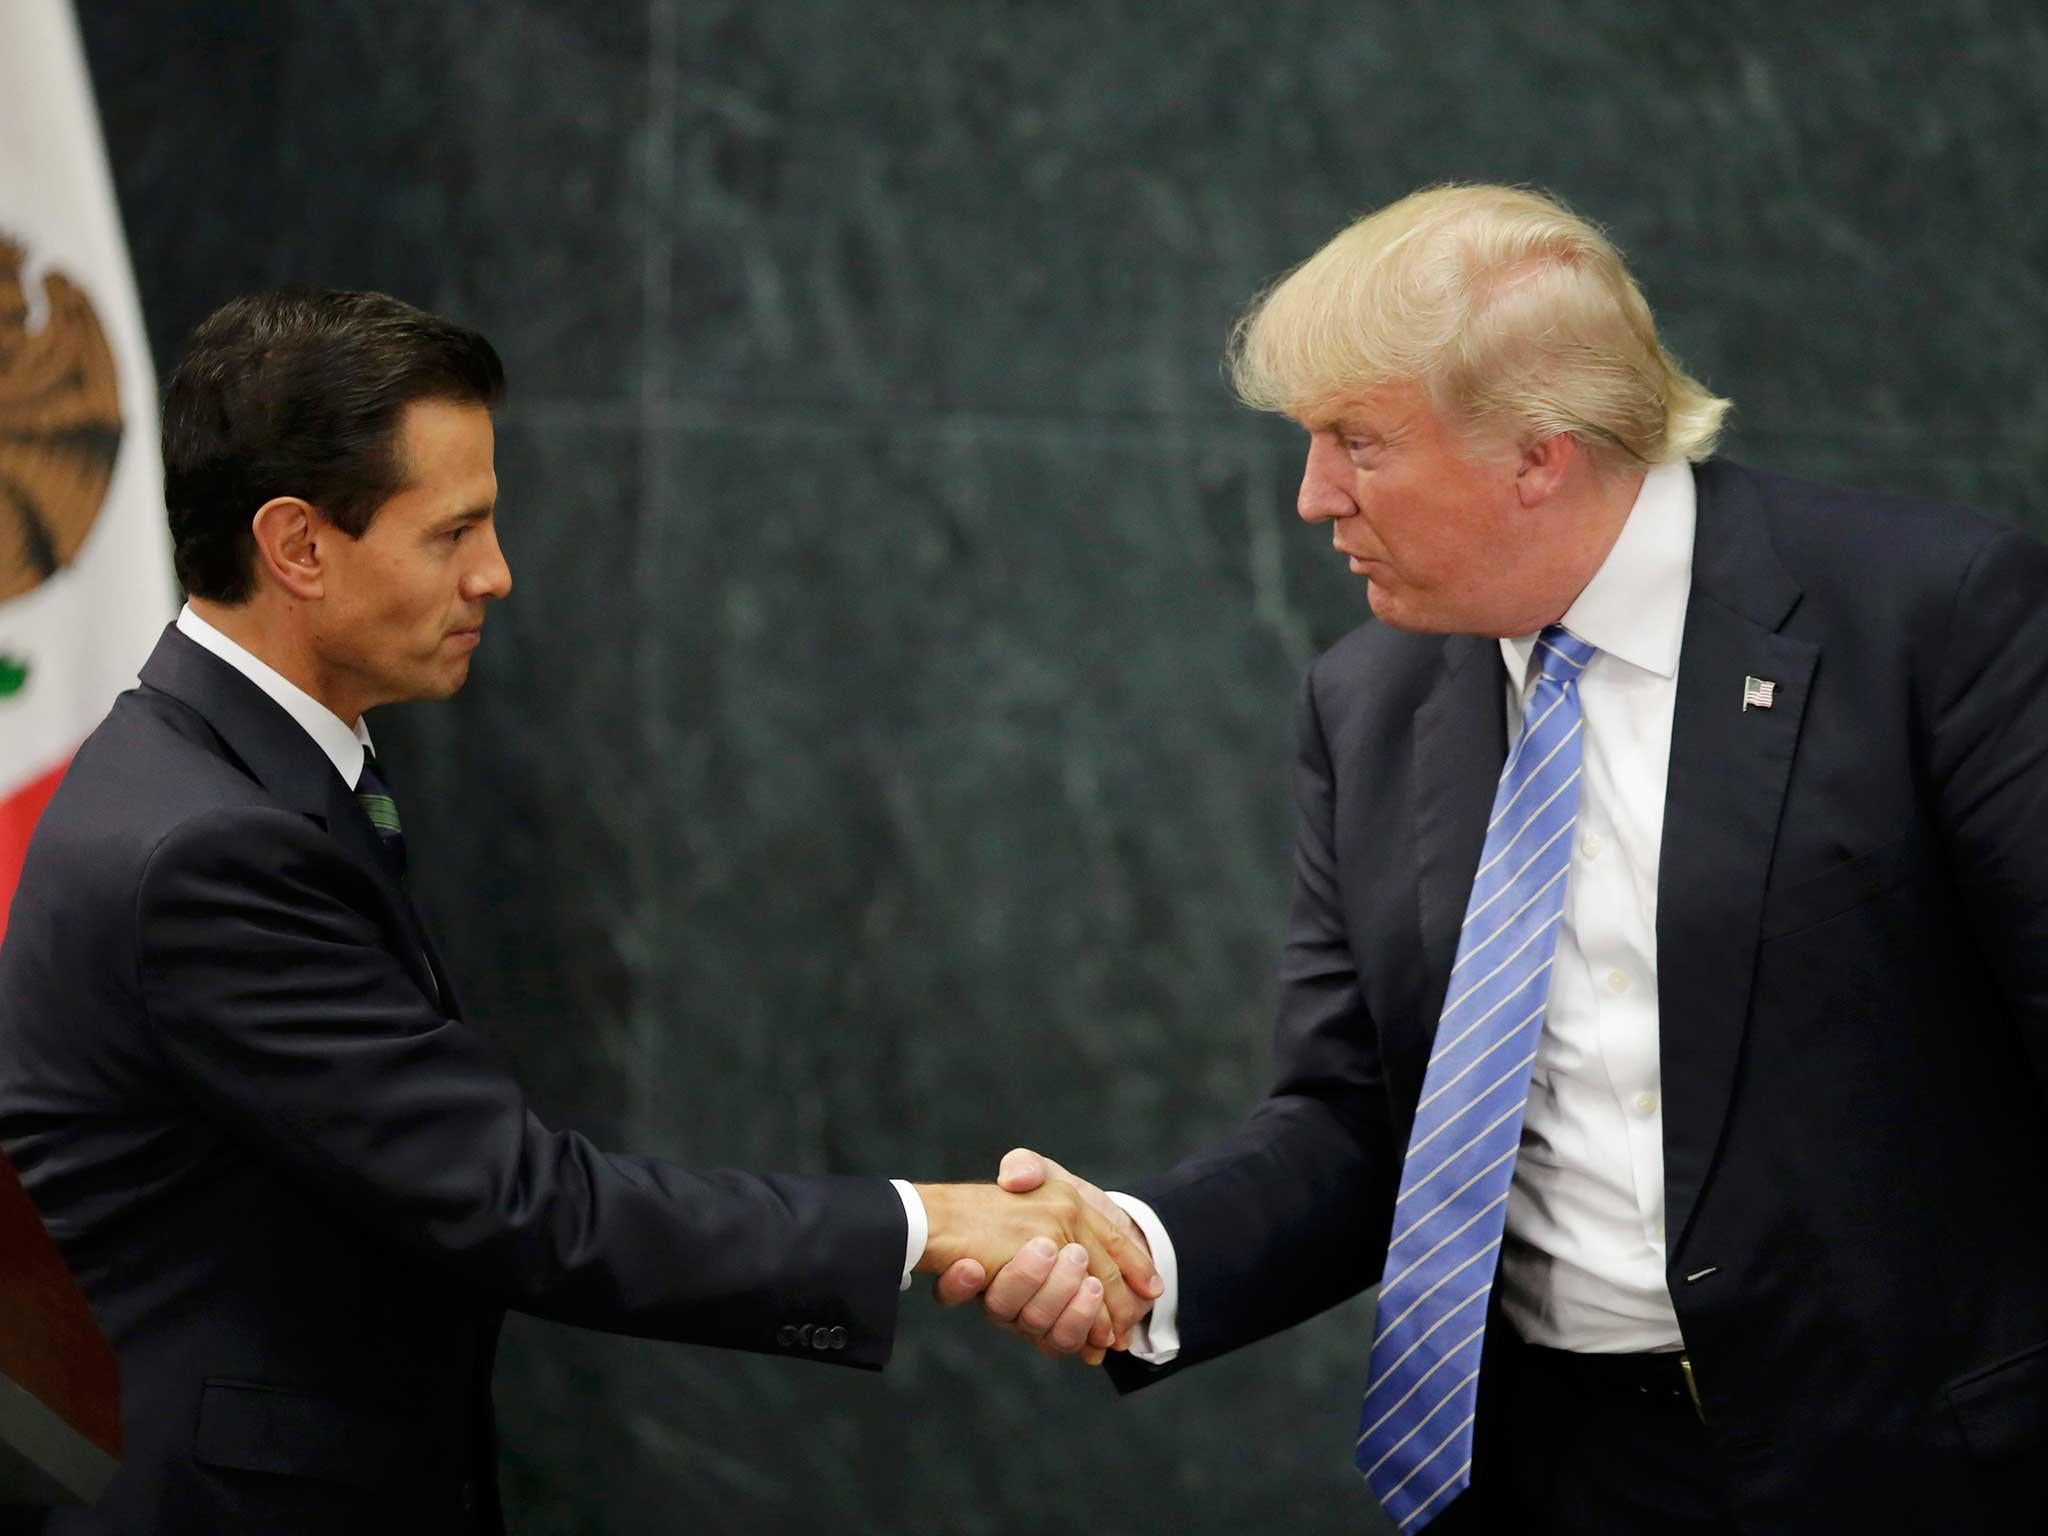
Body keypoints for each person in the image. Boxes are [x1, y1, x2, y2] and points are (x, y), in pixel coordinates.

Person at [938, 184, 2048, 1532]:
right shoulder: (1370, 704)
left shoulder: (1931, 620)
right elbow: (1360, 1120)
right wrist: (1140, 1250)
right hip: (1547, 1474)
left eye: (1358, 441)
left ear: (1542, 452)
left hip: (1915, 1467)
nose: (1312, 496)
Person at [0, 288, 1158, 1536]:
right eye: (455, 532)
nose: (495, 575)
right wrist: (928, 1222)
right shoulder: (210, 847)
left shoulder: (233, 773)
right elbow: (525, 1209)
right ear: (298, 546)